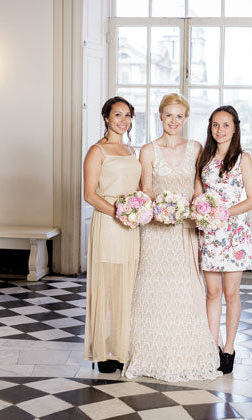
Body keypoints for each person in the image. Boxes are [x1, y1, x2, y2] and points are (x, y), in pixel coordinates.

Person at [123, 93, 221, 382]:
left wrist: (197, 211)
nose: (174, 121)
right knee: (153, 287)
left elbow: (199, 189)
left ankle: (187, 352)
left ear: (186, 118)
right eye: (169, 115)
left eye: (180, 116)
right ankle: (149, 352)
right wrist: (163, 208)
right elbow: (147, 189)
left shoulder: (196, 148)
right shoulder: (148, 150)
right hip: (156, 230)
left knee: (185, 288)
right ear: (160, 116)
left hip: (185, 230)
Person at [196, 105, 252, 374]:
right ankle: (212, 347)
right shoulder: (204, 159)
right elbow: (199, 196)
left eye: (225, 125)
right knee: (212, 293)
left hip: (234, 235)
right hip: (210, 234)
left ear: (235, 128)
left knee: (231, 293)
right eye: (215, 125)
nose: (220, 130)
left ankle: (229, 348)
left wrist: (223, 213)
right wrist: (204, 212)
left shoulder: (243, 158)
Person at [83, 97, 141, 373]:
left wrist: (138, 210)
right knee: (105, 287)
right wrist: (119, 212)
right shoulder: (97, 151)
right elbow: (90, 194)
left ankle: (120, 347)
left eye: (127, 115)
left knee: (126, 287)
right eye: (118, 114)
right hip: (108, 223)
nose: (123, 120)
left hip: (131, 227)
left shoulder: (131, 150)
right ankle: (101, 351)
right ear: (106, 117)